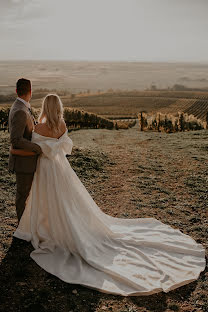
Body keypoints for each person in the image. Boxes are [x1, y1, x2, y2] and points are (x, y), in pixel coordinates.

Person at [13, 94, 206, 296]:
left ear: (44, 106)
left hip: (45, 169)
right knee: (67, 200)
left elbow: (35, 147)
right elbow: (62, 146)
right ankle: (63, 225)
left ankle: (47, 227)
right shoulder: (61, 124)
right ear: (58, 107)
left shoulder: (39, 127)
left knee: (48, 199)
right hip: (61, 169)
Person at [8, 78, 42, 223]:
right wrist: (37, 148)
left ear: (16, 91)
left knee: (25, 195)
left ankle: (26, 225)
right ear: (30, 91)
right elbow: (15, 139)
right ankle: (22, 228)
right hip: (23, 162)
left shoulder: (21, 106)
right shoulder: (20, 111)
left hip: (26, 160)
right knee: (23, 195)